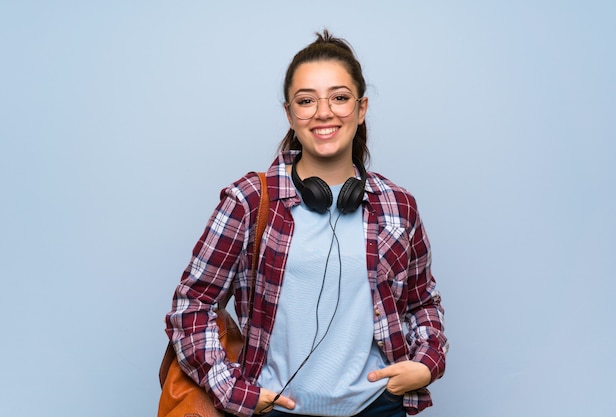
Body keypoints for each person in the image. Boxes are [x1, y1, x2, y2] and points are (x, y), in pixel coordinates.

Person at [165, 30, 447, 417]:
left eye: (340, 97)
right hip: (274, 410)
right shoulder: (249, 201)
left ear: (361, 109)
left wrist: (427, 362)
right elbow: (192, 305)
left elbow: (422, 302)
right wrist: (233, 390)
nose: (324, 112)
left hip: (377, 407)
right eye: (306, 100)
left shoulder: (398, 206)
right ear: (289, 114)